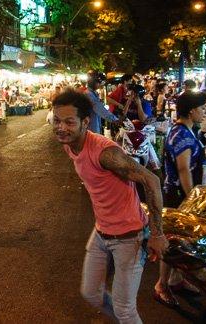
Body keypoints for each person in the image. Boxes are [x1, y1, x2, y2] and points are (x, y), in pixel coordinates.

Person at [52, 89, 168, 323]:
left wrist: (157, 234)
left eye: (68, 122)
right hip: (102, 231)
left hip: (129, 236)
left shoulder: (105, 153)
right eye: (56, 120)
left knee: (125, 309)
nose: (61, 127)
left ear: (85, 122)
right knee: (91, 294)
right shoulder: (70, 144)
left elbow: (151, 180)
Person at [155, 91, 206, 307]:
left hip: (180, 193)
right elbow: (184, 169)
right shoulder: (182, 135)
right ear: (191, 111)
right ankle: (161, 285)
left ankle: (176, 280)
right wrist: (193, 198)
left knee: (181, 240)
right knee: (171, 242)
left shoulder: (183, 130)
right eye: (202, 109)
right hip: (179, 194)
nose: (204, 112)